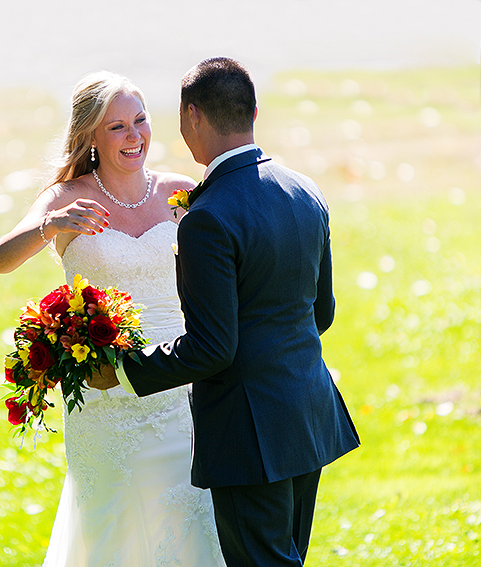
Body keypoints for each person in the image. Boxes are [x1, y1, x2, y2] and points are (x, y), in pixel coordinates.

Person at [90, 58, 360, 566]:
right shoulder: (305, 190)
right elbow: (320, 313)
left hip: (249, 432)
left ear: (192, 117)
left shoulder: (207, 216)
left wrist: (124, 368)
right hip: (308, 413)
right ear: (253, 111)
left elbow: (214, 348)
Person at [0, 71, 226, 567]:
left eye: (140, 121)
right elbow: (0, 260)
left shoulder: (182, 193)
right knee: (113, 528)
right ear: (91, 137)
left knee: (187, 520)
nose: (134, 136)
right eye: (117, 127)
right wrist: (50, 225)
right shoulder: (65, 197)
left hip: (179, 386)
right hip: (103, 394)